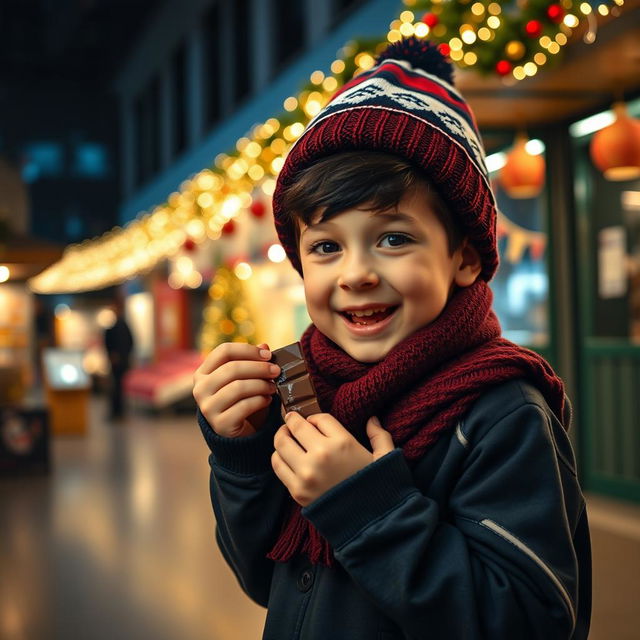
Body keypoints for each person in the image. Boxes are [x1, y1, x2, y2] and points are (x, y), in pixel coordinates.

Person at [192, 37, 590, 639]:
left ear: (462, 258)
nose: (355, 273)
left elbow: (531, 622)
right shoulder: (308, 394)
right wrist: (242, 454)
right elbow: (262, 577)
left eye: (394, 238)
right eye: (326, 246)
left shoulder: (501, 414)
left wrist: (366, 505)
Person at [104, 295, 133, 420]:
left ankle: (118, 413)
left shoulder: (120, 325)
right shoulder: (118, 325)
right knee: (116, 388)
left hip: (120, 363)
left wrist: (119, 356)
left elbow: (129, 342)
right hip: (119, 363)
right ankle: (116, 413)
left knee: (118, 388)